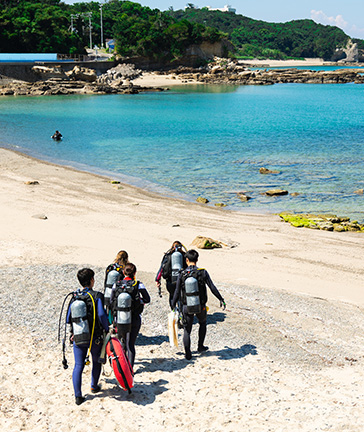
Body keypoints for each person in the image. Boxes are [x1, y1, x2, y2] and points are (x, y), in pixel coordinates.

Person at [172, 249, 226, 360]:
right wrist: (221, 299)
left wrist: (173, 305)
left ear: (186, 260)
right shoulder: (202, 272)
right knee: (202, 323)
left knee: (187, 330)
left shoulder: (182, 273)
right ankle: (200, 346)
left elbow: (177, 291)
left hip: (186, 306)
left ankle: (188, 353)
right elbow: (212, 287)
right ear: (197, 259)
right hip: (201, 305)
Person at [66, 268, 109, 405]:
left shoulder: (75, 297)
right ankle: (94, 386)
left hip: (78, 336)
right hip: (95, 337)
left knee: (78, 365)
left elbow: (68, 318)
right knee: (96, 362)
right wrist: (107, 328)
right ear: (91, 280)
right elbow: (102, 315)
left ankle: (78, 396)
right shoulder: (97, 296)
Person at [110, 262, 150, 367]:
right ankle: (130, 369)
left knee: (122, 342)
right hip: (134, 318)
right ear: (135, 273)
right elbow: (147, 299)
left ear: (123, 272)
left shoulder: (117, 284)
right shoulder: (138, 284)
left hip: (120, 318)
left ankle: (121, 366)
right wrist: (137, 301)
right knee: (131, 344)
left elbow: (111, 301)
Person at [155, 241, 187, 309]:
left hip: (170, 281)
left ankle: (173, 311)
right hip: (182, 281)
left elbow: (161, 268)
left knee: (172, 296)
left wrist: (157, 280)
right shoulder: (184, 256)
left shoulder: (167, 256)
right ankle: (182, 314)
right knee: (181, 297)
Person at [104, 250, 129, 316]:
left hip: (108, 293)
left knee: (109, 313)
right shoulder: (125, 268)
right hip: (118, 295)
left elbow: (106, 281)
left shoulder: (110, 267)